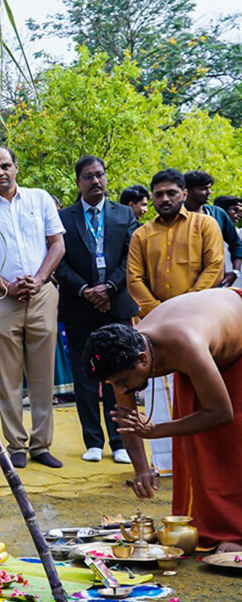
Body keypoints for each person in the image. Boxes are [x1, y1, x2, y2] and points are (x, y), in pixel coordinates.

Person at [84, 290, 242, 553]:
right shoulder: (125, 358)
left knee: (233, 445)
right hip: (207, 343)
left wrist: (157, 430)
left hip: (234, 336)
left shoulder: (185, 344)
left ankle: (235, 531)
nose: (121, 389)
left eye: (123, 382)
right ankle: (213, 525)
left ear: (143, 360)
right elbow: (128, 421)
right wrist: (142, 469)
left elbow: (221, 413)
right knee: (198, 447)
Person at [0, 146, 66, 469]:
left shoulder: (40, 199)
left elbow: (57, 244)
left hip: (41, 293)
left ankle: (41, 444)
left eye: (5, 166)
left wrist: (38, 278)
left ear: (16, 168)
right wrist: (6, 286)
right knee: (6, 376)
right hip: (1, 297)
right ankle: (16, 444)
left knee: (42, 374)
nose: (0, 173)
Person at [126, 168, 224, 475]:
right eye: (158, 194)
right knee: (160, 398)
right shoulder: (141, 234)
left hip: (201, 327)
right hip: (155, 332)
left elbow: (214, 269)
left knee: (204, 396)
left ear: (183, 194)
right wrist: (159, 314)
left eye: (171, 193)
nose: (164, 198)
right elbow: (134, 279)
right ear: (151, 198)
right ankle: (167, 466)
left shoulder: (205, 225)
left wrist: (184, 309)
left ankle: (207, 464)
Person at [54, 156, 140, 464]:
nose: (96, 181)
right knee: (84, 373)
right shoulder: (64, 218)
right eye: (88, 177)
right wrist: (86, 290)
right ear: (78, 182)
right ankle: (92, 439)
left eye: (100, 175)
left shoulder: (123, 214)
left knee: (120, 371)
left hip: (116, 305)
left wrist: (110, 288)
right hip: (80, 305)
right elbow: (58, 262)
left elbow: (131, 255)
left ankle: (120, 441)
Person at [184, 170, 242, 287]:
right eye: (203, 189)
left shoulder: (218, 213)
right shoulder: (175, 215)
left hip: (216, 283)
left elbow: (236, 243)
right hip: (185, 283)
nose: (209, 192)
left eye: (209, 188)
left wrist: (235, 272)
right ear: (188, 191)